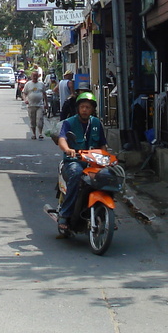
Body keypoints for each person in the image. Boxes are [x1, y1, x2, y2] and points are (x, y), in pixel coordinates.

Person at [54, 91, 107, 235]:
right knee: (76, 175)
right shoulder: (69, 122)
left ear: (92, 109)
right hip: (73, 162)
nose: (85, 110)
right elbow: (62, 139)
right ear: (78, 108)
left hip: (93, 162)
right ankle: (64, 215)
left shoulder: (96, 123)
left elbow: (102, 144)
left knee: (107, 176)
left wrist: (105, 156)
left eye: (88, 107)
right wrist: (68, 149)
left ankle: (106, 214)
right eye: (82, 107)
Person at [23, 69, 48, 139]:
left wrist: (46, 104)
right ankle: (34, 134)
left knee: (40, 120)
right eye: (33, 76)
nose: (34, 77)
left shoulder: (41, 84)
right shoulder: (28, 84)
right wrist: (25, 99)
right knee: (32, 120)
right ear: (31, 76)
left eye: (36, 76)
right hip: (31, 105)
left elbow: (44, 94)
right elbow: (24, 93)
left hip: (40, 105)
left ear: (38, 76)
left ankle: (40, 133)